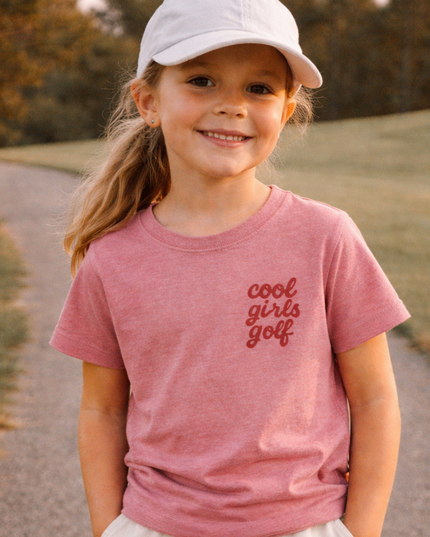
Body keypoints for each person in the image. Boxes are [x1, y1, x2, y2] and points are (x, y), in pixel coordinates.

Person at [49, 1, 410, 537]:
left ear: (287, 111)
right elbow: (102, 411)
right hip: (156, 525)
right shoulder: (113, 258)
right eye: (202, 80)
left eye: (259, 88)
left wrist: (362, 531)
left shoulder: (325, 237)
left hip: (306, 524)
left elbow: (375, 398)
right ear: (148, 101)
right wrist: (109, 529)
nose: (233, 106)